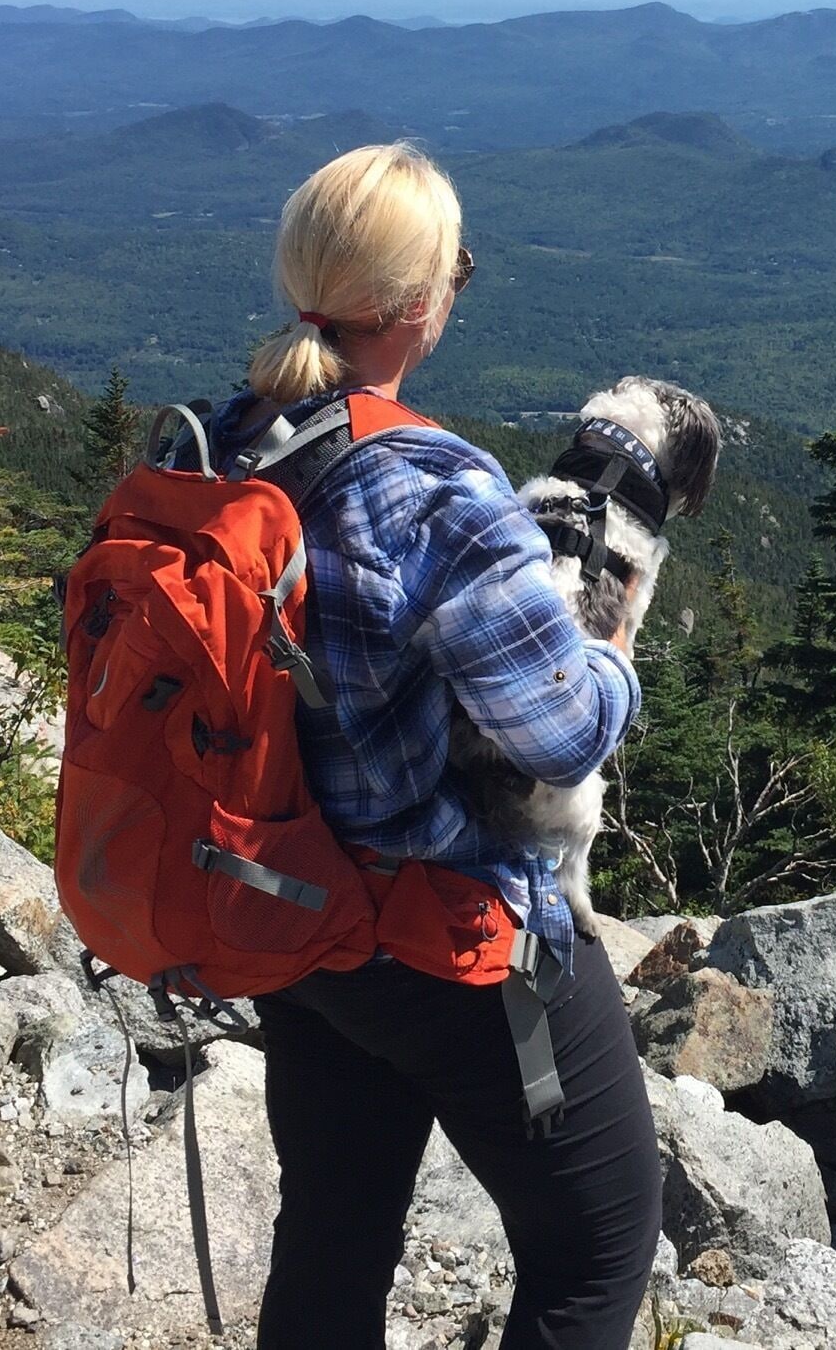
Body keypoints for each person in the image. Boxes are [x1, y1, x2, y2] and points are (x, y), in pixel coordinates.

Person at [210, 143, 661, 1350]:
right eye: (458, 265)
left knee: (336, 1231)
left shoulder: (216, 444)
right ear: (422, 301)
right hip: (429, 929)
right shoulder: (434, 488)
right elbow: (560, 734)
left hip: (278, 907)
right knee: (600, 1246)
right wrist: (611, 650)